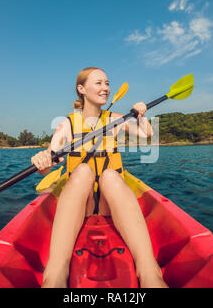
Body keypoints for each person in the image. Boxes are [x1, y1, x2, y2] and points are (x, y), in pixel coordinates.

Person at [31, 67, 167, 288]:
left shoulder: (116, 119)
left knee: (111, 176)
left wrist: (141, 115)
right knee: (83, 171)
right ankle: (55, 275)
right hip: (81, 204)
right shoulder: (66, 124)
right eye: (99, 83)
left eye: (107, 83)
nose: (105, 88)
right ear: (81, 89)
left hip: (107, 204)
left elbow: (146, 134)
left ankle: (150, 273)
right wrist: (41, 161)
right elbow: (49, 164)